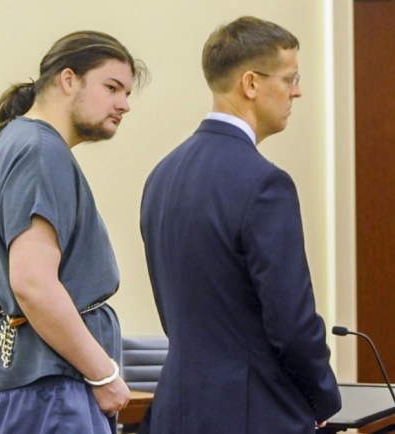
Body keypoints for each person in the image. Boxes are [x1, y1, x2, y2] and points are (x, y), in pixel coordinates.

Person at [139, 16, 341, 434]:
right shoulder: (266, 182)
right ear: (251, 84)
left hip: (176, 409)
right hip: (255, 414)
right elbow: (291, 322)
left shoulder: (162, 174)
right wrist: (323, 396)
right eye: (290, 78)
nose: (297, 91)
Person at [0, 30, 147, 433]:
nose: (124, 104)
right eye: (112, 88)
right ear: (68, 79)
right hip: (46, 384)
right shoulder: (41, 151)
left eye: (127, 93)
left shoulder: (14, 142)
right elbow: (33, 284)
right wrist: (104, 374)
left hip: (17, 376)